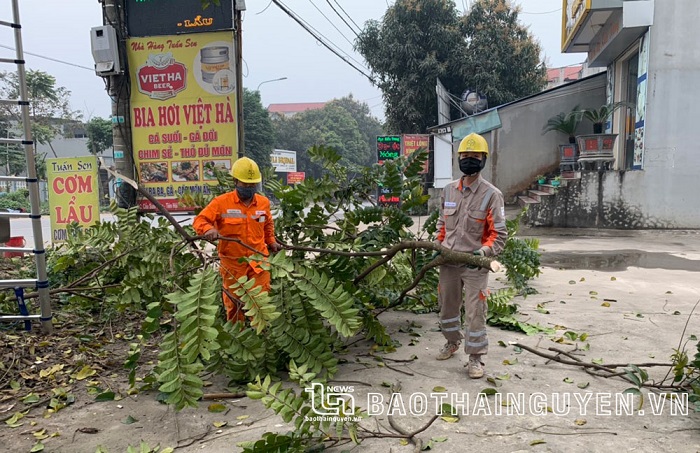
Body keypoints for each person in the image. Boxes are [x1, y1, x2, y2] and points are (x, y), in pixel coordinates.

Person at [434, 133, 508, 379]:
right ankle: (452, 342)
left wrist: (484, 253)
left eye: (474, 156)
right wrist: (437, 245)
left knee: (476, 312)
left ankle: (475, 358)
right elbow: (441, 225)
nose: (469, 160)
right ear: (459, 159)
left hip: (475, 265)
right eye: (465, 156)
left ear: (483, 160)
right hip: (449, 261)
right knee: (447, 306)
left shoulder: (491, 195)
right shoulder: (448, 191)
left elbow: (499, 234)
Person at [193, 156, 282, 323]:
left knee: (261, 303)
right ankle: (238, 337)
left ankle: (261, 337)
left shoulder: (263, 203)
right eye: (245, 184)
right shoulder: (221, 203)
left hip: (258, 261)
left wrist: (271, 242)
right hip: (233, 263)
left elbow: (267, 225)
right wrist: (209, 229)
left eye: (252, 185)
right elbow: (200, 220)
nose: (248, 188)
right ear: (235, 181)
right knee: (234, 304)